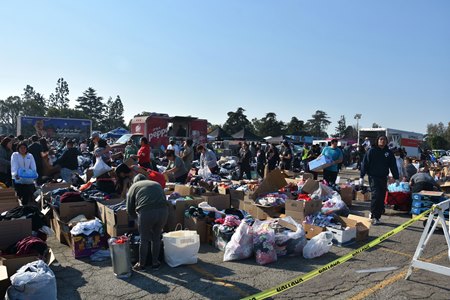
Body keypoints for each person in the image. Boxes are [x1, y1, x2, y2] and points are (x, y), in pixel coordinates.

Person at [126, 174, 168, 271]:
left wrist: (137, 219)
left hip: (146, 212)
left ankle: (142, 264)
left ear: (134, 181)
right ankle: (155, 263)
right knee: (156, 237)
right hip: (163, 211)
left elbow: (129, 209)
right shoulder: (156, 184)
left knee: (144, 239)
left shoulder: (134, 186)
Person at [360, 135, 399, 225]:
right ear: (377, 141)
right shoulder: (371, 151)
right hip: (373, 177)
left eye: (384, 140)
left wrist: (396, 177)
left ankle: (377, 217)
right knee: (376, 195)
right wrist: (361, 176)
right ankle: (373, 214)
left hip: (383, 178)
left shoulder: (388, 153)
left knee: (381, 197)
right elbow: (365, 163)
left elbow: (393, 165)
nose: (383, 141)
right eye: (381, 139)